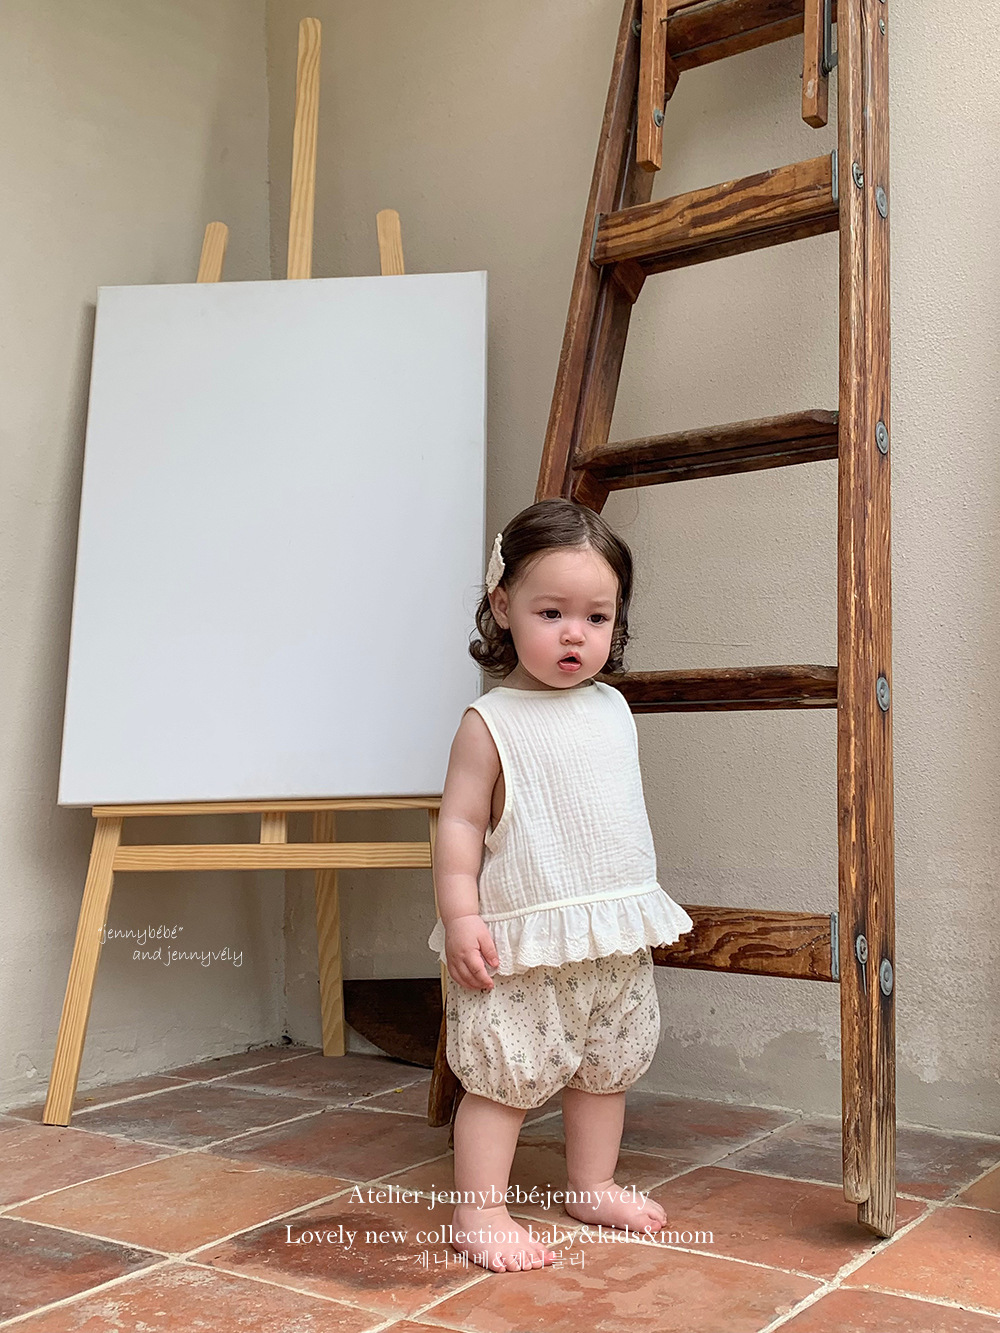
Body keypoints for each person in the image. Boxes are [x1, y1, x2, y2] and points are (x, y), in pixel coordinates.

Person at [427, 496, 695, 1273]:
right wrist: (462, 914)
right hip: (524, 940)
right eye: (551, 613)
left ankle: (593, 1182)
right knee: (505, 1074)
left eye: (597, 617)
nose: (575, 633)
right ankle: (479, 1212)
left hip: (607, 933)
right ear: (503, 606)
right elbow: (460, 825)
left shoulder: (613, 707)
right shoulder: (491, 722)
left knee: (608, 1064)